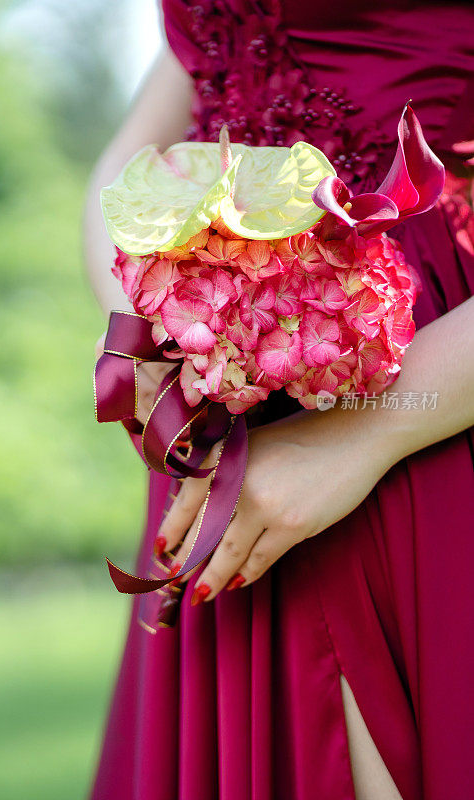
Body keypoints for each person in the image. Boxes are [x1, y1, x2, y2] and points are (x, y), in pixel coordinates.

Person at [84, 2, 474, 798]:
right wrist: (136, 328)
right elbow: (133, 157)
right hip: (221, 390)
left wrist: (358, 441)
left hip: (411, 378)